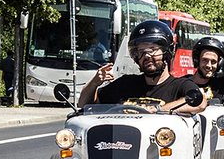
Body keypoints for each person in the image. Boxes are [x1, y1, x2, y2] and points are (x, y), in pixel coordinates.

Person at [77, 20, 206, 114]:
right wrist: (94, 83)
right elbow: (84, 105)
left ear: (167, 51)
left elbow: (200, 102)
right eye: (141, 52)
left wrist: (159, 109)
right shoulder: (125, 83)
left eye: (153, 49)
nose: (147, 56)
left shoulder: (179, 85)